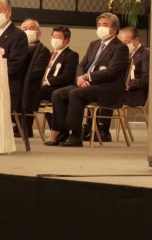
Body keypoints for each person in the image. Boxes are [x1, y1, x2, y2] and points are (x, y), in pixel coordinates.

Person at [46, 13, 129, 147]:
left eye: (104, 25)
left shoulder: (120, 47)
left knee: (75, 94)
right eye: (99, 25)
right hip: (86, 84)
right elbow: (81, 65)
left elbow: (112, 72)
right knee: (58, 94)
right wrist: (80, 78)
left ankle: (76, 135)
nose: (100, 28)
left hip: (106, 87)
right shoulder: (94, 44)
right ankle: (62, 132)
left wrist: (88, 77)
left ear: (114, 29)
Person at [83, 26, 150, 142]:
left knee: (108, 93)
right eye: (122, 42)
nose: (124, 45)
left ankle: (103, 129)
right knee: (97, 90)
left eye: (127, 42)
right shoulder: (123, 54)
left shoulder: (145, 54)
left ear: (136, 40)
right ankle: (90, 127)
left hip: (134, 93)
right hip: (120, 89)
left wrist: (130, 84)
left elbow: (146, 78)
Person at [32, 25, 79, 127]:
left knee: (40, 94)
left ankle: (58, 129)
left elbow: (68, 76)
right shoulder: (50, 54)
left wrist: (48, 82)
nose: (54, 39)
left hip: (58, 87)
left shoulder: (71, 55)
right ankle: (26, 122)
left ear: (66, 40)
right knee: (30, 91)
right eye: (53, 36)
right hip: (45, 87)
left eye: (58, 37)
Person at [20, 19, 51, 137]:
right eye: (24, 29)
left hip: (32, 85)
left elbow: (36, 72)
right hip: (18, 83)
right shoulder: (18, 48)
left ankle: (25, 127)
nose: (28, 31)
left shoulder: (42, 50)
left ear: (39, 33)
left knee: (26, 90)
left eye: (31, 28)